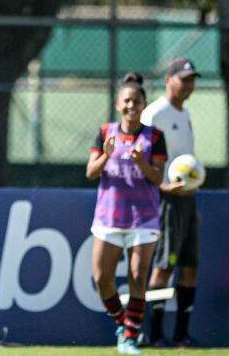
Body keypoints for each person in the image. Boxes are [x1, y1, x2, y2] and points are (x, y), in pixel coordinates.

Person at [86, 73, 167, 355]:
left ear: (144, 104)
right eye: (127, 100)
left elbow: (158, 178)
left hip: (143, 218)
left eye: (137, 100)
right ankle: (124, 324)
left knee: (137, 274)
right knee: (101, 277)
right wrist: (106, 155)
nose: (132, 105)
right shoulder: (106, 132)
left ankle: (129, 339)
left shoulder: (154, 136)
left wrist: (142, 163)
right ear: (118, 104)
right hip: (109, 217)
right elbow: (90, 172)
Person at [141, 57, 202, 348]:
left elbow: (185, 160)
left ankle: (181, 335)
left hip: (187, 201)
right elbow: (139, 160)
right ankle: (153, 334)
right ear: (168, 80)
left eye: (191, 79)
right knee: (164, 266)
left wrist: (193, 201)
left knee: (190, 267)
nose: (188, 84)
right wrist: (161, 189)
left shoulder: (185, 113)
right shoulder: (155, 113)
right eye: (183, 78)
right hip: (164, 200)